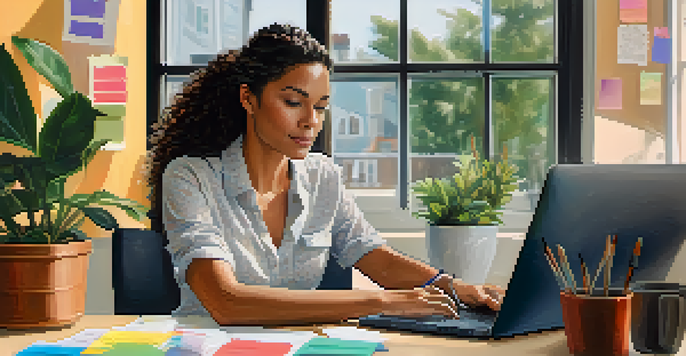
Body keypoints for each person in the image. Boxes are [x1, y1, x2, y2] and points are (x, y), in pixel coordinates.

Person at [146, 23, 504, 326]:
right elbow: (226, 302)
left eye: (320, 107)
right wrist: (378, 302)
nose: (310, 122)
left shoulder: (323, 176)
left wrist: (456, 287)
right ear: (248, 99)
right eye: (293, 102)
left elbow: (373, 255)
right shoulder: (190, 177)